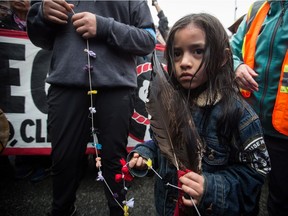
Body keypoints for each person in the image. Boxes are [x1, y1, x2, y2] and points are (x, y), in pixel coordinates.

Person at [128, 13, 271, 215]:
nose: (184, 62)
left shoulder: (239, 114)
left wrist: (210, 187)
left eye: (197, 51)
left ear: (222, 58)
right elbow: (161, 145)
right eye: (177, 53)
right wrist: (145, 154)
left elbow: (255, 174)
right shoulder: (169, 104)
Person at [26, 0, 155, 215]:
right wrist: (40, 14)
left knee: (114, 160)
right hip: (65, 84)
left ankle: (119, 210)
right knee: (63, 160)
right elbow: (38, 36)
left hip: (117, 88)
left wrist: (104, 27)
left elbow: (148, 39)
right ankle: (62, 210)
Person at [230, 1, 288, 215]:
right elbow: (231, 50)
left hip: (284, 133)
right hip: (248, 125)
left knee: (281, 202)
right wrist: (237, 65)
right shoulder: (257, 10)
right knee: (244, 193)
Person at [0, 0, 52, 183]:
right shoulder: (3, 23)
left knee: (43, 119)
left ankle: (43, 163)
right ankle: (22, 162)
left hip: (42, 84)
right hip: (12, 87)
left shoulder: (47, 23)